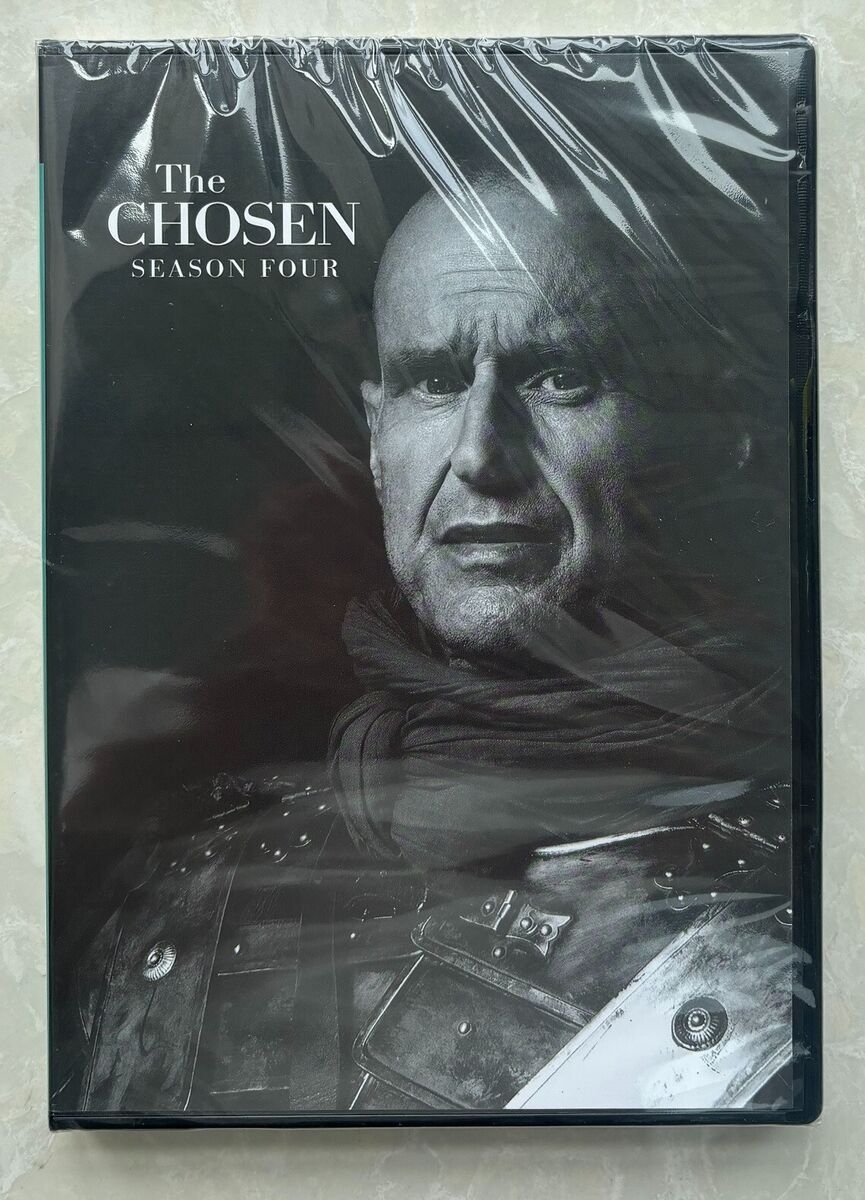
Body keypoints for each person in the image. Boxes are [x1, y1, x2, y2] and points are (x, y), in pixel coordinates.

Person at [55, 175, 794, 1119]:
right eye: (434, 382)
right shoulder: (190, 876)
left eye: (558, 375)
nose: (480, 454)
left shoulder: (808, 878)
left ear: (711, 432)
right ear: (375, 437)